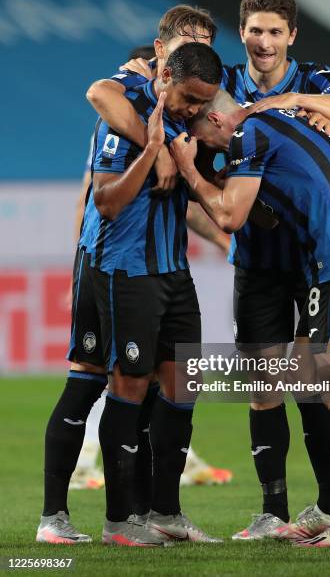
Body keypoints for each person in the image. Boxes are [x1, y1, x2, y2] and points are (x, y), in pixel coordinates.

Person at [87, 0, 330, 542]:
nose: (264, 41)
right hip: (268, 264)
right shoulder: (214, 83)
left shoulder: (298, 92)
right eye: (254, 30)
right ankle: (290, 511)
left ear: (291, 37)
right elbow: (111, 91)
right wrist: (160, 132)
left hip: (322, 260)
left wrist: (283, 109)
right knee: (276, 381)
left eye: (275, 32)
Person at [169, 88, 330, 548]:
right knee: (310, 370)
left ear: (215, 119)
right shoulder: (282, 118)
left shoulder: (250, 132)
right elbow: (269, 212)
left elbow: (230, 216)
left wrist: (190, 167)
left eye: (200, 133)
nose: (204, 145)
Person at [36, 42, 223, 546]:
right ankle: (118, 520)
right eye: (187, 98)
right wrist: (152, 152)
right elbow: (107, 202)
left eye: (200, 104)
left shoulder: (190, 119)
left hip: (172, 271)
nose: (191, 109)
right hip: (125, 270)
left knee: (184, 384)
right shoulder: (125, 118)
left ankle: (164, 511)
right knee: (125, 385)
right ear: (164, 74)